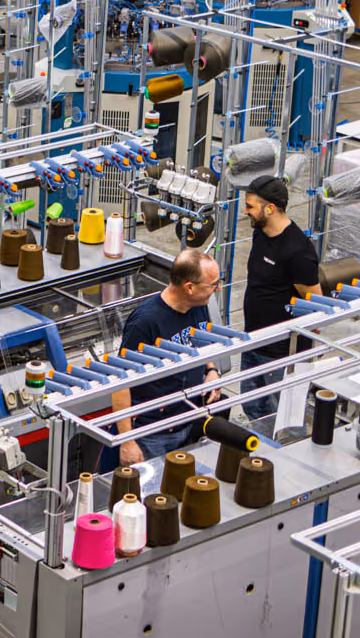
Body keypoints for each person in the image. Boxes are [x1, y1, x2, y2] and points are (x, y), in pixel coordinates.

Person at [109, 249, 223, 467]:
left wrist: (211, 370)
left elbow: (203, 340)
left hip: (190, 419)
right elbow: (120, 382)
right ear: (189, 287)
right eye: (212, 284)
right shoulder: (145, 323)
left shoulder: (198, 307)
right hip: (153, 433)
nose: (217, 289)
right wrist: (127, 442)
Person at [239, 176, 321, 420]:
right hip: (253, 341)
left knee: (281, 418)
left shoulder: (297, 252)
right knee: (252, 408)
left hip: (281, 354)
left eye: (250, 206)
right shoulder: (261, 232)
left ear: (270, 208)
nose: (246, 211)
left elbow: (316, 302)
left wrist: (306, 350)